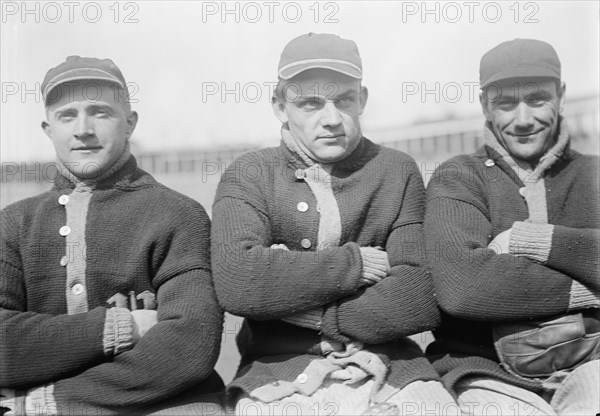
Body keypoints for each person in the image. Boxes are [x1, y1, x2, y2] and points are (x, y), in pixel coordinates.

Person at [211, 33, 457, 415]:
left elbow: (419, 295)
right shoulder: (251, 173)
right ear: (279, 105)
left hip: (392, 364)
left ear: (362, 100)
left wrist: (296, 303)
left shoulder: (397, 170)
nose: (331, 119)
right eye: (310, 103)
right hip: (278, 371)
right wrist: (356, 265)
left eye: (343, 100)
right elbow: (239, 282)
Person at [0, 56, 224, 415]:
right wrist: (120, 326)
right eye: (67, 115)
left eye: (100, 112)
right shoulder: (14, 223)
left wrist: (50, 401)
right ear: (48, 129)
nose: (83, 129)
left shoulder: (178, 214)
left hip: (159, 404)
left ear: (130, 123)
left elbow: (189, 346)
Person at [425, 39, 599, 415]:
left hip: (593, 362)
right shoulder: (458, 177)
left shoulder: (595, 173)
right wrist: (591, 284)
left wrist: (533, 240)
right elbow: (462, 287)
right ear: (485, 104)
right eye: (506, 103)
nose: (523, 120)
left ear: (562, 96)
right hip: (485, 369)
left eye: (537, 99)